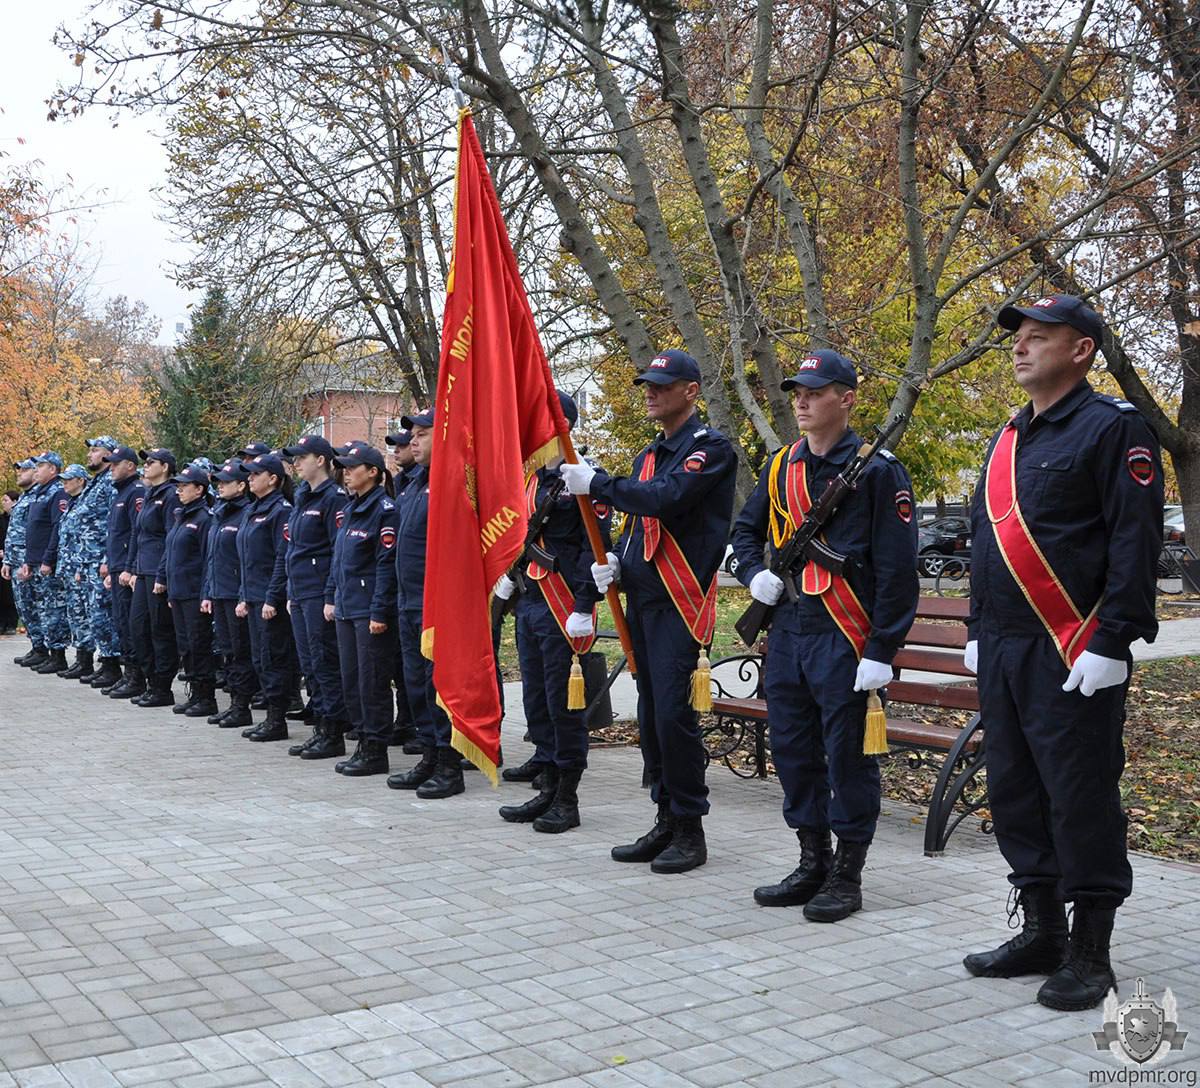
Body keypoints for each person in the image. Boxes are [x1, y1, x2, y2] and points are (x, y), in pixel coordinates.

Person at [961, 294, 1164, 1011]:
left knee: (1079, 798)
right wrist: (976, 632)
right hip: (1008, 650)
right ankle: (1043, 929)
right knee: (1016, 791)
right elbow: (987, 549)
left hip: (1073, 651)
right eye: (1018, 338)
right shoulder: (1009, 437)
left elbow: (1135, 546)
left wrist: (1113, 639)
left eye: (1039, 338)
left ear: (1081, 350)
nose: (1020, 348)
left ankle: (1090, 949)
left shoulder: (1116, 430)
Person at [731, 350, 919, 921]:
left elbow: (896, 570)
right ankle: (811, 858)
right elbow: (745, 530)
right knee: (793, 751)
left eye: (815, 391)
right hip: (788, 628)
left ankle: (847, 871)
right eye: (798, 392)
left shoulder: (878, 470)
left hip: (844, 634)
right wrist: (752, 573)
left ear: (848, 398)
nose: (803, 401)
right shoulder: (782, 463)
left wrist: (882, 649)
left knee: (846, 759)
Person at [560, 349, 737, 873]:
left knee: (675, 719)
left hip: (680, 605)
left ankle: (690, 828)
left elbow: (664, 499)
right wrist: (616, 557)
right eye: (647, 385)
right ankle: (665, 817)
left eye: (663, 384)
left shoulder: (709, 449)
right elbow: (639, 525)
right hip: (643, 600)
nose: (651, 393)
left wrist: (597, 483)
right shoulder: (648, 454)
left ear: (691, 391)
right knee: (653, 719)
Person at [492, 392, 610, 832]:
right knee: (537, 699)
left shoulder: (582, 478)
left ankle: (567, 797)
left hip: (564, 606)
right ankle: (546, 784)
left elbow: (594, 549)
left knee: (565, 706)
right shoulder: (533, 480)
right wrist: (511, 575)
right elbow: (525, 537)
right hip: (531, 601)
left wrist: (584, 605)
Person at [387, 411, 465, 798]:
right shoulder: (412, 484)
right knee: (416, 684)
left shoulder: (454, 481)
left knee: (440, 687)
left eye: (422, 434)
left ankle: (450, 767)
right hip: (408, 600)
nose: (412, 442)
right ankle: (430, 755)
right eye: (411, 435)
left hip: (439, 604)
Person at [326, 441, 398, 776]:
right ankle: (362, 740)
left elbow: (386, 566)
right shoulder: (351, 508)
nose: (346, 474)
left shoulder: (384, 510)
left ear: (373, 472)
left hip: (368, 610)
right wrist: (333, 596)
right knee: (352, 679)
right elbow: (340, 559)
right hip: (346, 606)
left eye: (353, 468)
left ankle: (376, 748)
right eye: (343, 468)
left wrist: (379, 611)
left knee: (372, 681)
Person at [279, 435, 349, 759]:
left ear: (320, 460)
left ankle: (333, 732)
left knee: (324, 664)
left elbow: (338, 550)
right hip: (300, 591)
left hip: (318, 592)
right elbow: (293, 547)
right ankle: (320, 725)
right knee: (310, 664)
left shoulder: (333, 498)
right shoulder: (303, 497)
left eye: (301, 457)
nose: (296, 463)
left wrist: (330, 594)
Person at [237, 453, 295, 742]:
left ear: (272, 479)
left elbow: (280, 558)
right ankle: (270, 716)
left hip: (269, 599)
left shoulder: (280, 511)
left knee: (274, 659)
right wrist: (244, 595)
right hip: (254, 595)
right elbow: (247, 558)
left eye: (254, 474)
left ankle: (277, 718)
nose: (249, 478)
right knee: (260, 658)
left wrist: (272, 597)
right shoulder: (253, 509)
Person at [126, 449, 182, 707]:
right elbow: (139, 536)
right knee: (138, 627)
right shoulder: (150, 493)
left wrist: (162, 574)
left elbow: (171, 539)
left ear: (166, 467)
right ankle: (151, 681)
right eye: (145, 462)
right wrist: (134, 568)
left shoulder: (171, 495)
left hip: (158, 573)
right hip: (143, 571)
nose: (145, 466)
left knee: (160, 630)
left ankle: (162, 686)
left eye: (151, 462)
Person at [201, 460, 255, 728]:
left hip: (236, 593)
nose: (220, 486)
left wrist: (243, 594)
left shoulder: (246, 512)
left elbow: (246, 558)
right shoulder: (220, 512)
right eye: (218, 482)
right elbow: (212, 557)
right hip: (220, 591)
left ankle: (242, 706)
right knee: (227, 651)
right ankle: (234, 702)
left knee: (239, 650)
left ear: (241, 486)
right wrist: (208, 591)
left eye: (225, 482)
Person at [161, 463, 217, 717]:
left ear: (200, 489)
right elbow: (171, 552)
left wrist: (206, 592)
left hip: (195, 592)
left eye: (184, 487)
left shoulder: (204, 518)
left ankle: (206, 697)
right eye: (178, 486)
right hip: (179, 592)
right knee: (185, 645)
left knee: (199, 645)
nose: (179, 491)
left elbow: (208, 559)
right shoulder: (180, 516)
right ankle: (195, 692)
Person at [72, 436, 120, 685]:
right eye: (90, 450)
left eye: (95, 450)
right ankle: (105, 662)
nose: (90, 454)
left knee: (104, 615)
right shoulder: (94, 484)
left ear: (109, 454)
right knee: (94, 615)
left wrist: (106, 559)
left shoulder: (111, 484)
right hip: (88, 561)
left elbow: (114, 526)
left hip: (101, 562)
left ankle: (113, 666)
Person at [384, 429, 420, 751]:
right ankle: (412, 725)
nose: (398, 450)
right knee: (409, 672)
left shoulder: (426, 483)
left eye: (404, 444)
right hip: (405, 594)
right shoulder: (406, 485)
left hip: (426, 597)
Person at [101, 447, 148, 698]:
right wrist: (111, 565)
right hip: (118, 567)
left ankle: (137, 677)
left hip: (127, 570)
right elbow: (116, 535)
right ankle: (130, 673)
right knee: (121, 623)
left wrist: (130, 568)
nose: (111, 467)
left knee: (132, 625)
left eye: (115, 464)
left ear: (130, 466)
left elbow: (136, 533)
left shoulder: (136, 492)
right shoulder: (120, 493)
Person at [22, 452, 70, 676]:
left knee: (53, 610)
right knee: (42, 609)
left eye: (40, 466)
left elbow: (56, 528)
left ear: (53, 469)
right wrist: (28, 562)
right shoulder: (38, 493)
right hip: (35, 562)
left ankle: (58, 656)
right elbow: (33, 531)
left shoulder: (56, 492)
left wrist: (48, 559)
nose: (36, 470)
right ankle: (46, 651)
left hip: (47, 563)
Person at [48, 464, 93, 677]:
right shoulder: (73, 503)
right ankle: (81, 659)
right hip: (69, 568)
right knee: (75, 615)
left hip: (82, 568)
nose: (64, 482)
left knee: (85, 616)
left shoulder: (87, 501)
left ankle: (88, 662)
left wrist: (78, 567)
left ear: (81, 480)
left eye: (69, 478)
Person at [5, 460, 40, 662]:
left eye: (25, 469)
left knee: (38, 607)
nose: (19, 473)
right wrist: (8, 561)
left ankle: (46, 650)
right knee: (25, 608)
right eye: (19, 469)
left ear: (36, 473)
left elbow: (35, 534)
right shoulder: (25, 499)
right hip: (17, 562)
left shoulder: (38, 498)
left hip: (29, 563)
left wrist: (28, 560)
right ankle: (37, 646)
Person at [0, 489, 19, 633]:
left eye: (6, 500)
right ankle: (1, 623)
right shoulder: (1, 519)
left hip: (16, 560)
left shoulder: (19, 519)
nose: (3, 503)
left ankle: (12, 624)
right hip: (1, 560)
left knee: (11, 593)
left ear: (14, 502)